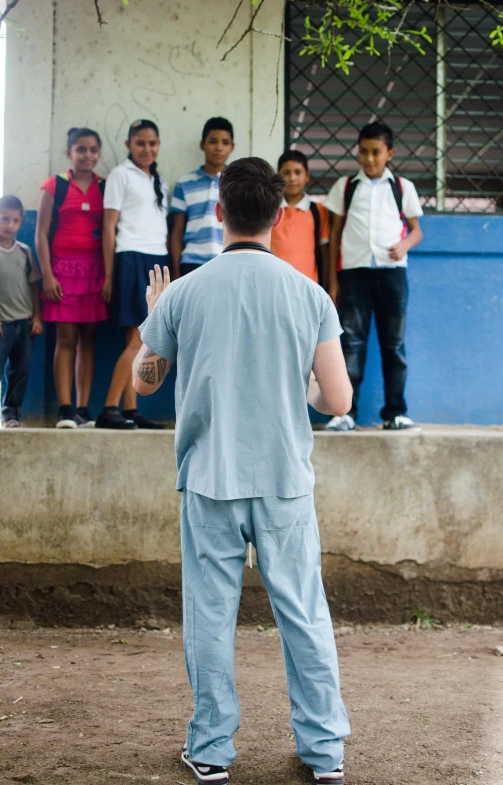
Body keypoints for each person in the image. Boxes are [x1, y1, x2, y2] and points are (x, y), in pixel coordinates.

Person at [132, 158, 352, 785]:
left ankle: (210, 750)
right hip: (284, 480)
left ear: (219, 212)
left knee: (209, 615)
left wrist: (155, 322)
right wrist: (298, 382)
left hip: (210, 480)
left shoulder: (184, 293)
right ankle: (324, 752)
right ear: (281, 216)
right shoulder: (310, 295)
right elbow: (336, 401)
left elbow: (143, 383)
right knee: (304, 614)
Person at [324, 120, 424, 432]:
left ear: (389, 153)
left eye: (376, 152)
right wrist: (333, 281)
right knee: (352, 343)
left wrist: (404, 244)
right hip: (353, 275)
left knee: (393, 345)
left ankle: (395, 412)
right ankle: (345, 413)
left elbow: (417, 229)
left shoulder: (402, 187)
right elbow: (335, 234)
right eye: (363, 152)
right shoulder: (345, 187)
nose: (369, 159)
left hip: (392, 275)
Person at [95, 119, 169, 430]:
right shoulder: (119, 175)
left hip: (156, 257)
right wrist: (110, 274)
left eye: (152, 143)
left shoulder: (159, 180)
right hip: (130, 258)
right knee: (138, 338)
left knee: (139, 338)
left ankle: (129, 409)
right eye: (140, 143)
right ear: (128, 145)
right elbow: (109, 227)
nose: (147, 149)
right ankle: (109, 407)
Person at [36, 127, 108, 428]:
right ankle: (65, 409)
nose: (87, 155)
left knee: (88, 341)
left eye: (93, 150)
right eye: (81, 149)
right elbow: (40, 233)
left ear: (98, 153)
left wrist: (108, 277)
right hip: (62, 271)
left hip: (94, 271)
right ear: (69, 153)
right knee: (65, 340)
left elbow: (109, 231)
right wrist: (47, 276)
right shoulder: (54, 186)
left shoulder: (105, 186)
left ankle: (82, 409)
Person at [0, 195, 43, 428]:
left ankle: (11, 414)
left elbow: (34, 285)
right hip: (1, 324)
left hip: (25, 323)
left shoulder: (25, 252)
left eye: (15, 220)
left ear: (21, 222)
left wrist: (37, 316)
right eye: (4, 219)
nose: (9, 225)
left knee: (20, 371)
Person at [170, 117, 234, 279]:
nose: (219, 148)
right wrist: (176, 272)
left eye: (225, 143)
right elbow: (177, 232)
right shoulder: (184, 184)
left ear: (231, 148)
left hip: (227, 261)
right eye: (213, 141)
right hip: (192, 262)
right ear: (202, 145)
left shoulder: (238, 184)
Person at [271, 149, 330, 287]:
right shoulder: (269, 210)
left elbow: (325, 252)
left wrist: (326, 286)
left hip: (308, 286)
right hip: (273, 285)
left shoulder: (318, 211)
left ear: (307, 176)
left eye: (298, 172)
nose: (292, 178)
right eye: (286, 173)